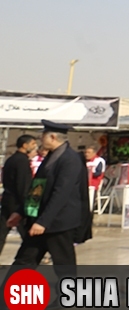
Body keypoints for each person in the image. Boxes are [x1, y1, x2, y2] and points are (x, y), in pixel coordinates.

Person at [4, 121, 88, 285]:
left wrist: (43, 222)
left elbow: (61, 194)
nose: (40, 139)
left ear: (52, 137)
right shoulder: (51, 157)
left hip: (58, 223)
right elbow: (37, 188)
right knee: (23, 261)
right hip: (40, 221)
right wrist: (21, 212)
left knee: (64, 266)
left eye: (42, 136)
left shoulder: (70, 160)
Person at [1, 134, 36, 260]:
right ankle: (31, 256)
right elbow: (23, 185)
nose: (34, 147)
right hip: (17, 203)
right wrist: (26, 204)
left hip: (8, 199)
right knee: (27, 232)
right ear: (25, 145)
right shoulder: (22, 161)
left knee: (2, 231)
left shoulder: (11, 159)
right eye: (32, 144)